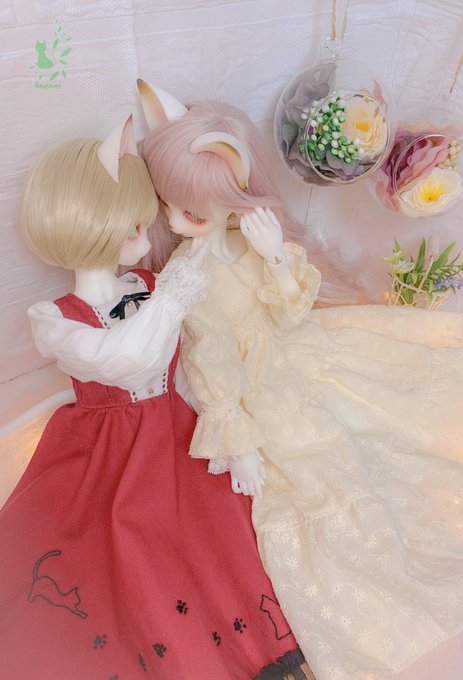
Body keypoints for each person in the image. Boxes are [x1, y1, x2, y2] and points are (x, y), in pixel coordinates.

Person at [138, 80, 463, 680]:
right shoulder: (190, 276)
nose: (175, 220)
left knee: (401, 405)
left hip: (302, 348)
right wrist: (236, 434)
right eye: (171, 205)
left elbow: (290, 310)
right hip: (263, 386)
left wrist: (275, 256)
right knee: (325, 474)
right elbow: (211, 361)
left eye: (193, 209)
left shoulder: (245, 239)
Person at [0, 117, 309, 680]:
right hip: (104, 444)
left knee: (215, 537)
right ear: (97, 225)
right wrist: (176, 288)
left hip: (174, 425)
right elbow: (124, 358)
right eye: (137, 221)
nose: (153, 228)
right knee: (118, 547)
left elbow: (197, 359)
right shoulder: (56, 318)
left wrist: (230, 431)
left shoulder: (147, 285)